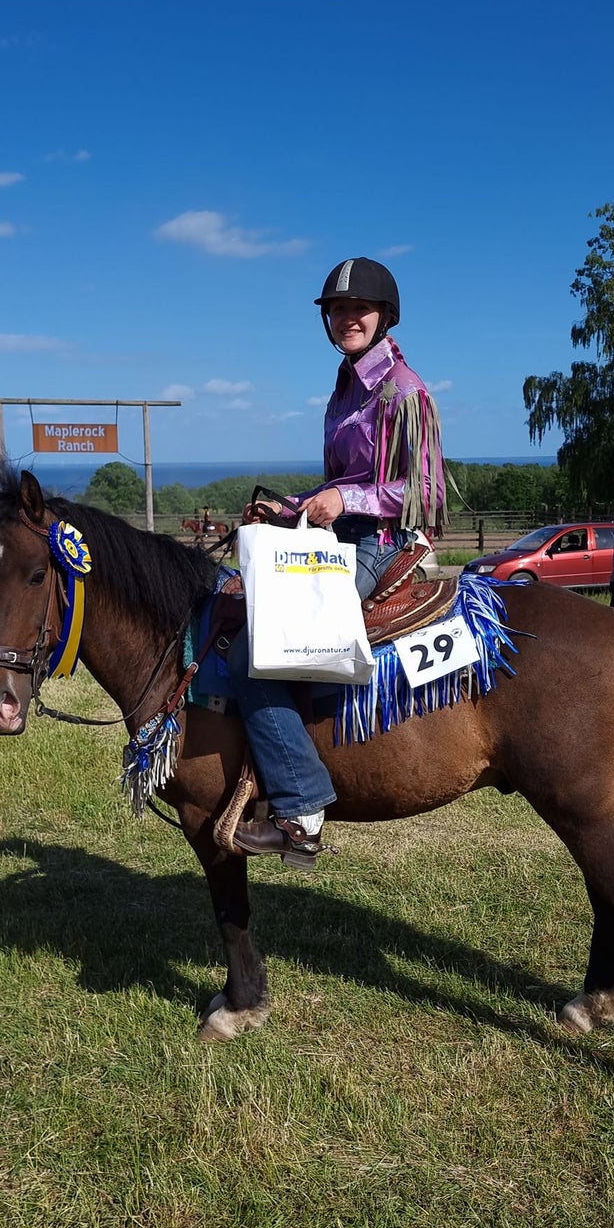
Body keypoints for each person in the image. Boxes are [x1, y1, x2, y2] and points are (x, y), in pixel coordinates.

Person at [228, 257, 449, 867]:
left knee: (254, 652)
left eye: (360, 309)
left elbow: (425, 490)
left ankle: (301, 809)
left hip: (379, 543)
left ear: (384, 316)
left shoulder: (404, 391)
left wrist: (345, 501)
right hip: (335, 537)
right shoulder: (344, 386)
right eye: (338, 309)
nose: (348, 318)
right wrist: (288, 507)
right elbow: (340, 482)